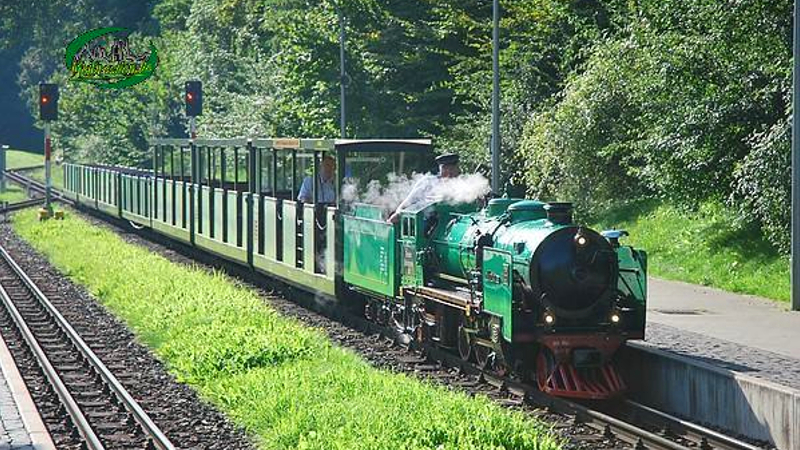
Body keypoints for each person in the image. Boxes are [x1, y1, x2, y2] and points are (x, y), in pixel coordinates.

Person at [387, 152, 460, 224]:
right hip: (426, 223)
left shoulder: (463, 185)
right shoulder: (428, 182)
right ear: (441, 169)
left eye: (452, 169)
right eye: (446, 169)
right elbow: (409, 201)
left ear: (457, 169)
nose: (449, 173)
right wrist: (398, 213)